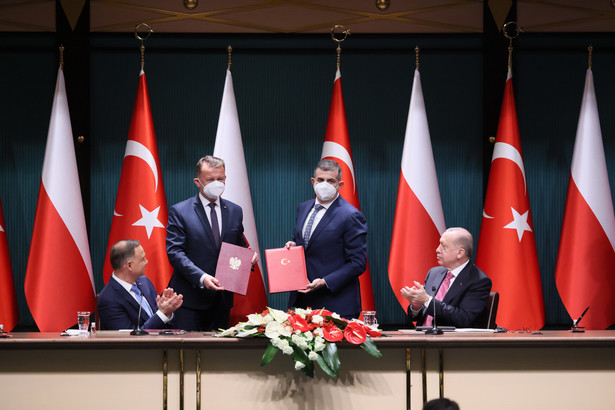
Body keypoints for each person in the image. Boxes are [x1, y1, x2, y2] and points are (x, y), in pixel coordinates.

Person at [166, 155, 257, 331]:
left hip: (221, 300)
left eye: (220, 179)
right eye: (210, 180)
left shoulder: (235, 211)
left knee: (217, 356)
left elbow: (239, 246)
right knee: (187, 354)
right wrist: (201, 277)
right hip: (189, 300)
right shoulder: (180, 211)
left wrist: (249, 257)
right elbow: (175, 252)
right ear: (197, 181)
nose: (217, 183)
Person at [285, 159, 368, 319]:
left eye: (331, 181)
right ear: (313, 181)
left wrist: (324, 281)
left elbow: (358, 263)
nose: (325, 184)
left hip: (337, 304)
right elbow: (305, 242)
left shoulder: (351, 215)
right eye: (320, 180)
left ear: (340, 185)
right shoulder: (303, 208)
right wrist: (293, 245)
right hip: (304, 303)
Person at [401, 227, 491, 328]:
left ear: (460, 253)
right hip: (421, 337)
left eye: (443, 246)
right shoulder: (434, 273)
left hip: (449, 341)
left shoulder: (478, 281)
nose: (437, 250)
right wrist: (416, 307)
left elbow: (463, 318)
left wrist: (427, 300)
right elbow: (419, 316)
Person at [97, 239, 183, 330]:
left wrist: (167, 313)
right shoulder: (108, 300)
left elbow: (160, 321)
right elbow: (130, 339)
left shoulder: (145, 282)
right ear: (130, 265)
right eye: (142, 259)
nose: (146, 262)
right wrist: (162, 313)